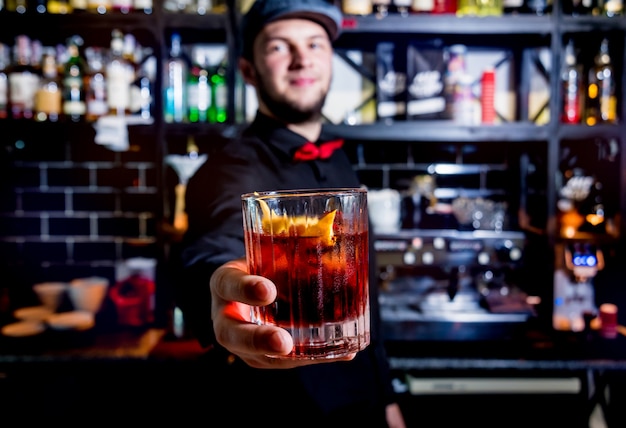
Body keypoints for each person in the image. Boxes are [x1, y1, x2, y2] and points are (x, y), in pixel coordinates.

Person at [179, 0, 406, 426]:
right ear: (248, 70)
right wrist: (220, 291)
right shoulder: (228, 170)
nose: (303, 59)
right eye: (280, 47)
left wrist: (388, 399)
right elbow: (210, 252)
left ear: (331, 61)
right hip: (285, 411)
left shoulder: (340, 162)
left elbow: (361, 295)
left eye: (315, 44)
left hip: (365, 406)